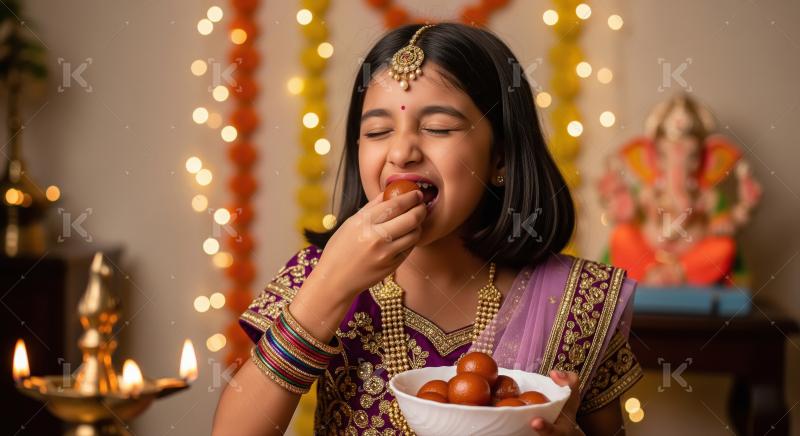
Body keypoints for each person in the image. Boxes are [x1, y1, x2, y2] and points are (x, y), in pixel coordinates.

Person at [214, 22, 642, 436]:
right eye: (378, 130)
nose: (401, 151)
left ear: (501, 158)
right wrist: (329, 287)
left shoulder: (577, 302)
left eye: (438, 128)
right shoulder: (316, 275)